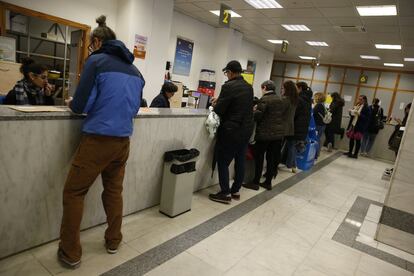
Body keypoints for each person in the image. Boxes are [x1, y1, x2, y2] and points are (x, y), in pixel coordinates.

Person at [58, 15, 145, 269]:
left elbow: (80, 106)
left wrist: (72, 103)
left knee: (74, 192)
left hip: (98, 140)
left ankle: (70, 252)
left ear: (96, 41)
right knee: (114, 191)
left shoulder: (96, 62)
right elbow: (135, 108)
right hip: (122, 142)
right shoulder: (135, 70)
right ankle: (113, 240)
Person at [208, 60, 254, 204]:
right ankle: (235, 190)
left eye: (226, 72)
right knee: (240, 161)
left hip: (231, 130)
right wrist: (221, 100)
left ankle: (225, 193)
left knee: (223, 161)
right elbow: (240, 105)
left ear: (231, 72)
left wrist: (216, 103)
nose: (226, 75)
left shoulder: (228, 86)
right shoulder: (249, 87)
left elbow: (220, 110)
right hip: (245, 130)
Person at [242, 80, 291, 191]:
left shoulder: (264, 99)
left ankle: (255, 182)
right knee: (271, 158)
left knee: (259, 157)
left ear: (264, 87)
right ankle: (268, 182)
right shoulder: (280, 99)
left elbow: (258, 116)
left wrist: (253, 111)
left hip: (265, 134)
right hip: (278, 134)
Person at [284, 83, 312, 173]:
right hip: (303, 127)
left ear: (299, 88)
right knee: (294, 146)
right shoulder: (308, 99)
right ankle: (291, 164)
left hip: (295, 126)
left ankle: (292, 165)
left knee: (292, 145)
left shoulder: (299, 99)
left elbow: (294, 113)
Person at [313, 92, 327, 159]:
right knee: (318, 139)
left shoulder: (318, 105)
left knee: (316, 139)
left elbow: (313, 113)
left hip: (317, 124)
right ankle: (317, 154)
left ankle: (315, 154)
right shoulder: (323, 105)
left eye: (315, 96)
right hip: (322, 125)